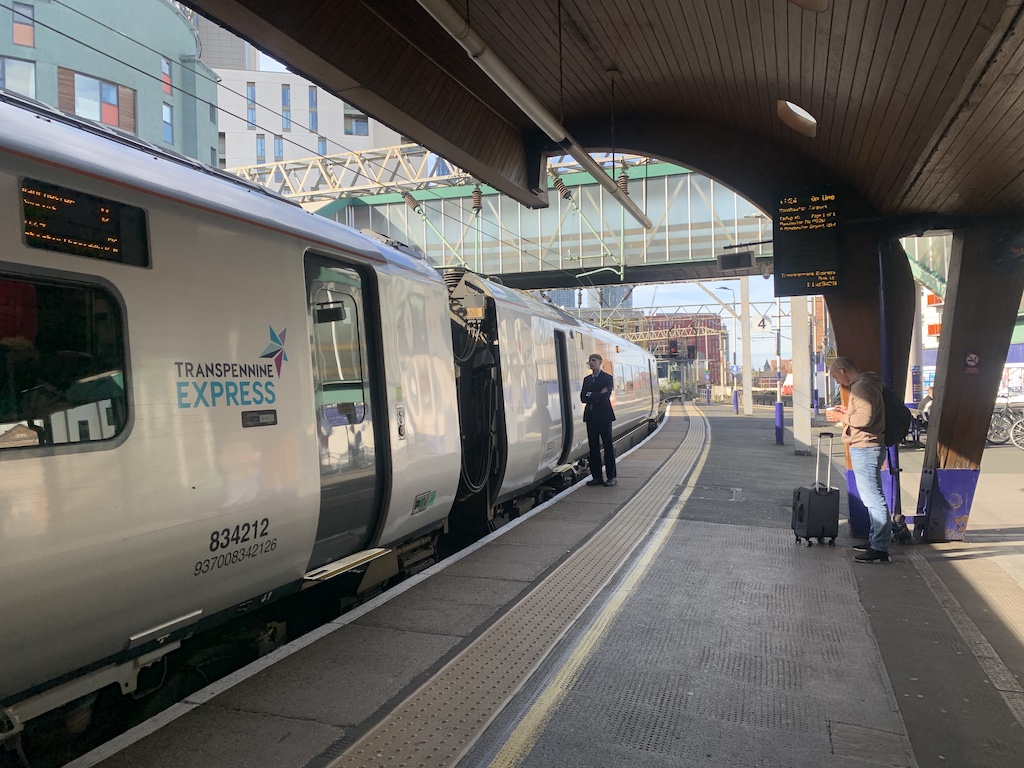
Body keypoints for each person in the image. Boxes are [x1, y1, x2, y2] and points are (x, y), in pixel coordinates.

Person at [825, 356, 891, 563]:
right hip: (869, 446)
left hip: (865, 446)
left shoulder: (861, 386)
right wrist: (848, 412)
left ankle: (879, 548)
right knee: (872, 497)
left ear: (843, 370)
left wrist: (841, 418)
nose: (838, 382)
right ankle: (875, 541)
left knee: (873, 499)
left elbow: (865, 419)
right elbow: (865, 414)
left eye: (836, 377)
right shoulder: (867, 384)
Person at [581, 352, 616, 487]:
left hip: (604, 417)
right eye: (590, 361)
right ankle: (597, 477)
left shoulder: (607, 378)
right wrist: (596, 394)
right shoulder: (587, 380)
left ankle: (611, 477)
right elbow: (583, 397)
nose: (591, 363)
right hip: (590, 417)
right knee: (593, 448)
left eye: (594, 360)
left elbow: (605, 396)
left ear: (600, 362)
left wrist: (591, 395)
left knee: (608, 447)